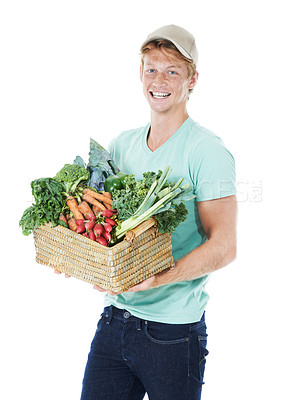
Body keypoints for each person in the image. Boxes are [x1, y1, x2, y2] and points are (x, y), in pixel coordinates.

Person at [80, 25, 237, 400]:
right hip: (114, 319)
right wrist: (86, 261)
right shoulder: (121, 145)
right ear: (140, 74)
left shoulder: (207, 151)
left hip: (173, 332)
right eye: (151, 69)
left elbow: (225, 246)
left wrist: (158, 278)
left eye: (172, 71)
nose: (159, 80)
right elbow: (109, 231)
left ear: (192, 79)